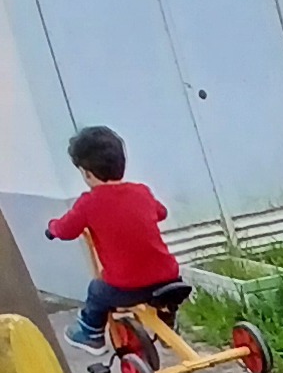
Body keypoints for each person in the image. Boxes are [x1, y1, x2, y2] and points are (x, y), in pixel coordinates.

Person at [45, 126, 182, 359]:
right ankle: (168, 319)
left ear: (87, 173)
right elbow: (161, 213)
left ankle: (91, 334)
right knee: (162, 291)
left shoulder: (88, 203)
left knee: (97, 291)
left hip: (125, 288)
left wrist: (52, 228)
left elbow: (66, 230)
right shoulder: (142, 192)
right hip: (170, 278)